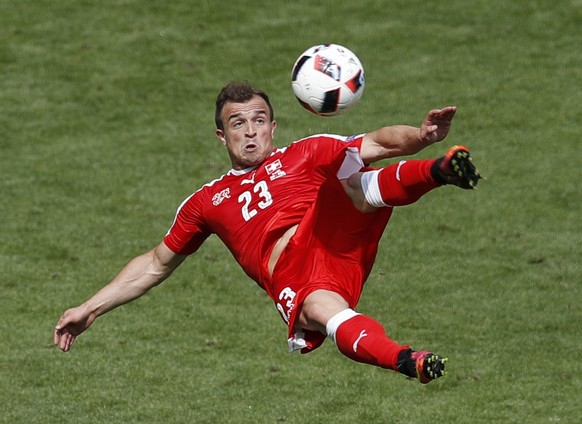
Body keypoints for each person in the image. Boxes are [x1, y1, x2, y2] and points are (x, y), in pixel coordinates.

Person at [54, 81, 480, 384]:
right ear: (222, 136)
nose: (250, 130)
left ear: (273, 128)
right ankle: (407, 360)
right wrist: (90, 308)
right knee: (323, 313)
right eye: (238, 123)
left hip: (333, 233)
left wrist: (422, 137)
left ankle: (440, 170)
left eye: (259, 120)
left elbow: (380, 144)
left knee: (351, 175)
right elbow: (154, 264)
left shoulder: (306, 152)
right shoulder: (206, 201)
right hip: (300, 278)